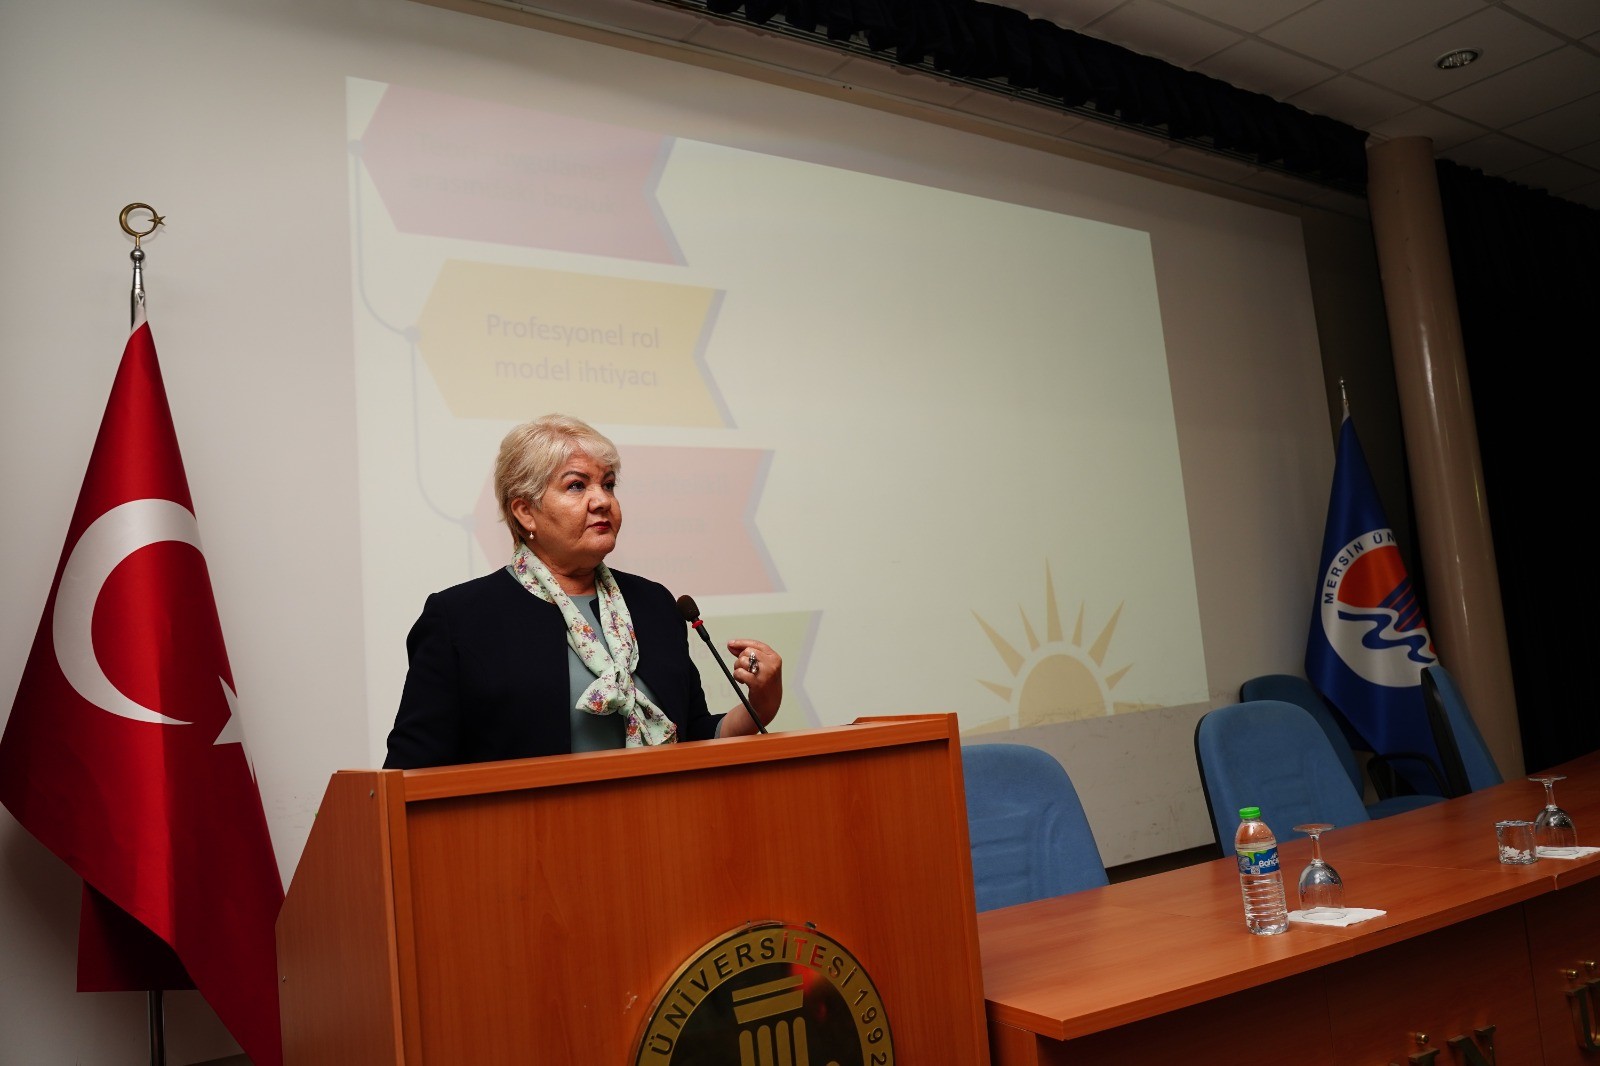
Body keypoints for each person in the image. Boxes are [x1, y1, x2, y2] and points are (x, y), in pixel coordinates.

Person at [384, 414, 782, 769]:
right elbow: (413, 771)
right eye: (577, 486)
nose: (602, 500)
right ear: (525, 512)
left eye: (608, 485)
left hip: (660, 821)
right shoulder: (461, 618)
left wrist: (760, 704)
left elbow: (692, 737)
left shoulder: (654, 604)